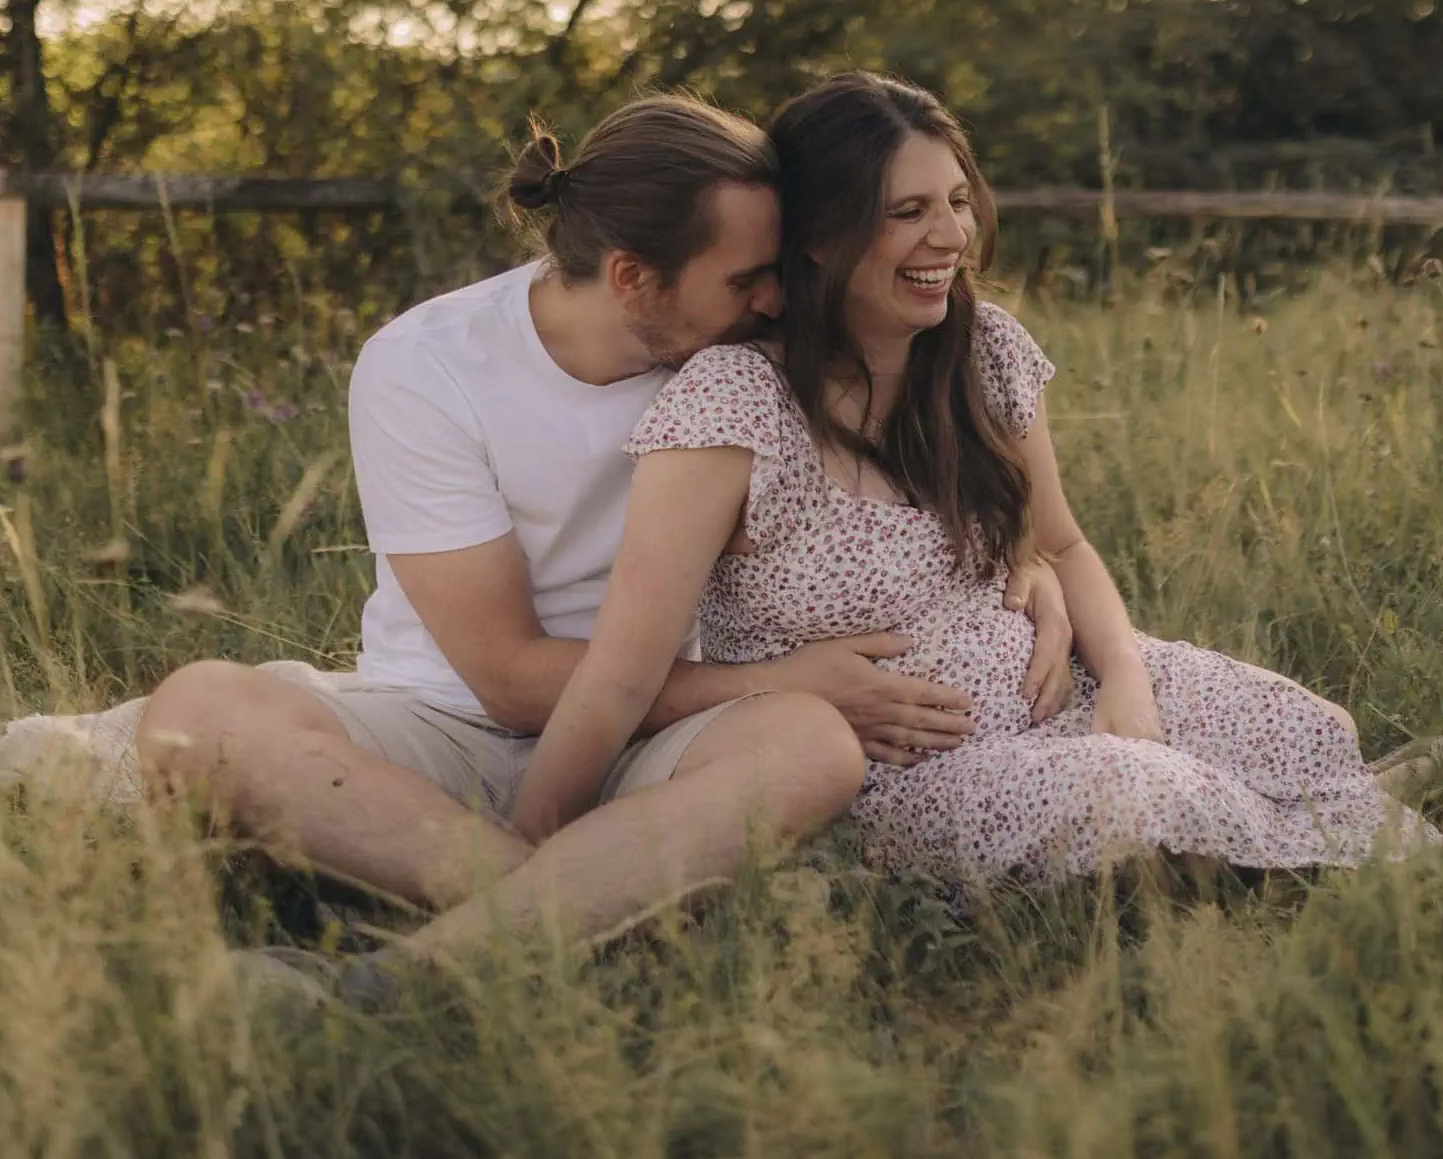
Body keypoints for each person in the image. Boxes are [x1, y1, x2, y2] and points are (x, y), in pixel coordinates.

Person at [135, 92, 1074, 964]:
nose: (776, 301)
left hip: (676, 737)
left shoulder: (755, 357)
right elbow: (503, 677)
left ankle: (436, 942)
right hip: (441, 725)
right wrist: (777, 676)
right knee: (200, 712)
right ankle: (565, 910)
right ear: (633, 277)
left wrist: (1033, 564)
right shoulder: (426, 364)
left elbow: (939, 471)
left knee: (812, 748)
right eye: (748, 278)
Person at [513, 74, 1437, 881]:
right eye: (908, 212)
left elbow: (1061, 541)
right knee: (1140, 792)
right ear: (824, 238)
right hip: (906, 764)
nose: (950, 234)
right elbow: (621, 676)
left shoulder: (983, 351)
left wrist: (1122, 678)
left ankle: (1299, 827)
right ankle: (1290, 852)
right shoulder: (734, 402)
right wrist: (523, 851)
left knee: (1305, 723)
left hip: (1058, 684)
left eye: (957, 200)